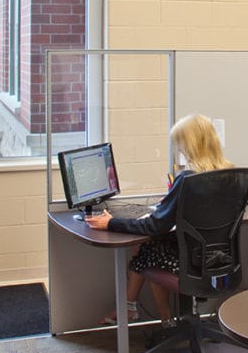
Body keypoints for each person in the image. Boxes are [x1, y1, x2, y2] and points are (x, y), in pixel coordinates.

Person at [85, 114, 233, 326]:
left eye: (181, 144)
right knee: (155, 245)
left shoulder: (188, 179)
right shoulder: (230, 174)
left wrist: (111, 223)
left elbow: (155, 225)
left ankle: (158, 318)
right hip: (219, 260)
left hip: (191, 265)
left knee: (147, 248)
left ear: (190, 146)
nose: (179, 150)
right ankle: (145, 313)